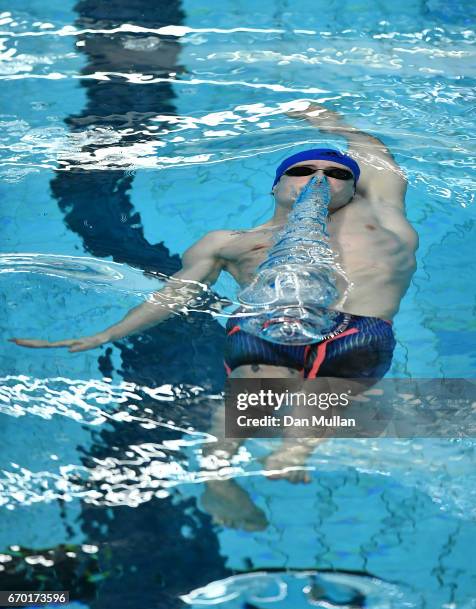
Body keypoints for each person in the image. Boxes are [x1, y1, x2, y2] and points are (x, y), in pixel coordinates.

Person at [9, 103, 418, 529]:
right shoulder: (232, 241)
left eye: (338, 174)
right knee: (248, 397)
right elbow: (178, 293)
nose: (321, 178)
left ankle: (294, 452)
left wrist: (327, 120)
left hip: (362, 327)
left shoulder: (383, 215)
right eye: (303, 170)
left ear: (354, 189)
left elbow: (375, 154)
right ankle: (218, 479)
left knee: (325, 397)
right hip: (266, 326)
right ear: (276, 186)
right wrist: (109, 333)